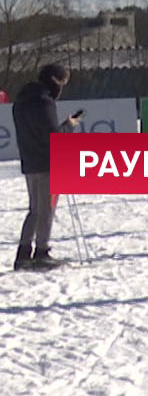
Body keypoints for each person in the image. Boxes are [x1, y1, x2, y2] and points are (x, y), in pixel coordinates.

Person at [12, 64, 78, 271]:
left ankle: (24, 252)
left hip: (29, 161)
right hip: (47, 163)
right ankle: (41, 251)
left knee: (34, 210)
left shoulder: (22, 101)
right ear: (54, 81)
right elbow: (53, 137)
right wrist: (68, 126)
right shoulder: (45, 103)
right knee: (47, 209)